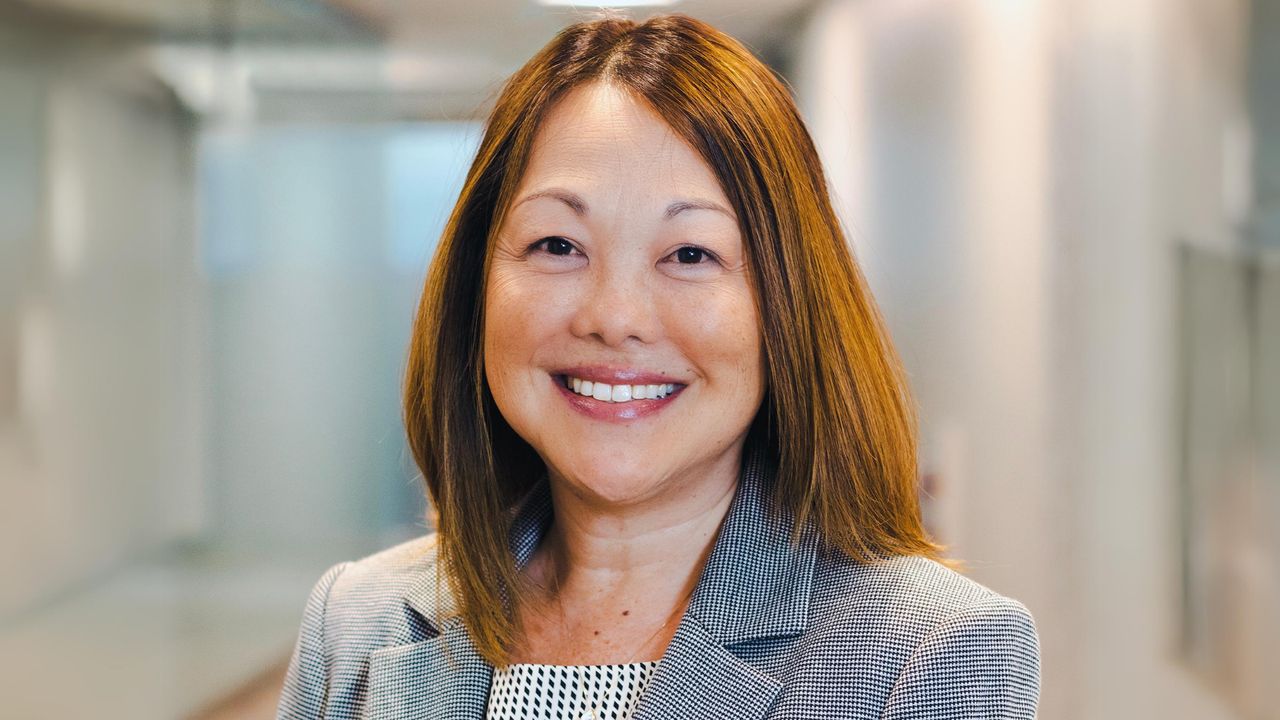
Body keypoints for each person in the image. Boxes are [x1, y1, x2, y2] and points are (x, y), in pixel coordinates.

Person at [277, 12, 1041, 720]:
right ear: (478, 282)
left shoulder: (932, 652)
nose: (614, 318)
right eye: (557, 246)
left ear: (787, 307)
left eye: (689, 254)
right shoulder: (355, 624)